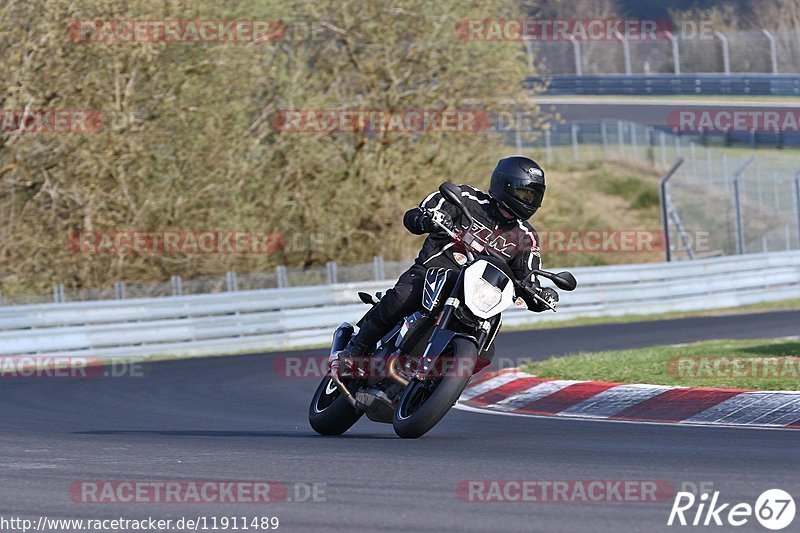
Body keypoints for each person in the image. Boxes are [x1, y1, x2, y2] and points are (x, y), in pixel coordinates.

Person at [336, 155, 559, 371]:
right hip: (434, 271)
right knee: (402, 296)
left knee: (485, 352)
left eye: (533, 195)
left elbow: (529, 276)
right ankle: (357, 350)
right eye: (524, 192)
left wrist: (540, 295)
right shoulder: (465, 198)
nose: (528, 200)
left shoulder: (525, 236)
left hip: (478, 295)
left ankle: (435, 387)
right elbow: (416, 215)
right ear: (505, 184)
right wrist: (428, 219)